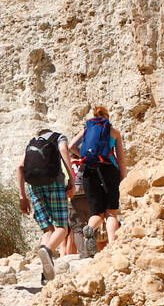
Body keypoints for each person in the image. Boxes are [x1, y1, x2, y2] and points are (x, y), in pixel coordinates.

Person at [17, 128, 76, 283]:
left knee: (47, 229)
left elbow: (20, 167)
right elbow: (63, 149)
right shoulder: (58, 137)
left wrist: (22, 196)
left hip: (34, 187)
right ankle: (47, 250)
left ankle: (46, 275)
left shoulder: (31, 143)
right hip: (54, 183)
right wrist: (71, 177)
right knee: (62, 228)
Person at [71, 107, 126, 246]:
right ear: (107, 117)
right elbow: (121, 159)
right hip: (109, 171)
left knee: (97, 214)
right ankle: (113, 246)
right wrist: (124, 180)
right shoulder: (114, 132)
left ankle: (89, 229)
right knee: (111, 213)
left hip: (89, 172)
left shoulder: (87, 129)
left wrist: (84, 157)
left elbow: (71, 145)